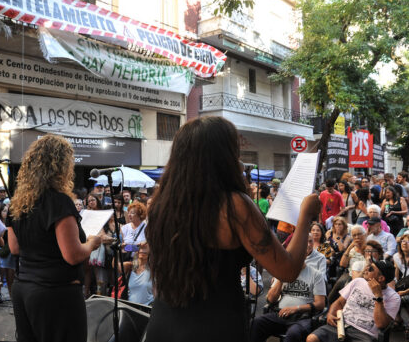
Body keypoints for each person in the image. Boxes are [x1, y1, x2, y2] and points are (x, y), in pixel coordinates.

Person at [143, 116, 321, 342]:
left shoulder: (160, 205)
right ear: (223, 157)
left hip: (163, 322)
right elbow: (287, 270)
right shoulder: (234, 206)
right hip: (214, 326)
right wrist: (305, 216)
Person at [7, 135, 102, 342]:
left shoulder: (18, 203)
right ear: (61, 166)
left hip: (23, 289)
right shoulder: (58, 202)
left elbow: (14, 248)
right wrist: (92, 243)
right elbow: (73, 255)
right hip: (55, 293)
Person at [250, 235, 326, 342]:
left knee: (293, 334)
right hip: (281, 314)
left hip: (302, 318)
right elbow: (270, 299)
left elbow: (320, 304)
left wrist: (296, 308)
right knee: (257, 323)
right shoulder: (282, 272)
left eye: (298, 254)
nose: (294, 257)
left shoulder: (316, 275)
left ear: (305, 254)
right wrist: (281, 277)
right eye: (292, 255)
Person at [307, 260, 400, 342]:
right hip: (340, 324)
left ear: (381, 278)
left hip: (364, 334)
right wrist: (330, 314)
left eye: (371, 268)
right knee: (311, 338)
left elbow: (381, 324)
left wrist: (378, 297)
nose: (366, 269)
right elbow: (339, 302)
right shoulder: (358, 281)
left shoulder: (393, 297)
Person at [328, 225, 367, 304]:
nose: (357, 237)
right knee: (339, 284)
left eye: (359, 234)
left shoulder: (370, 247)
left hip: (365, 274)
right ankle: (328, 305)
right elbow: (342, 264)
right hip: (350, 273)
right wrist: (349, 248)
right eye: (354, 235)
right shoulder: (352, 249)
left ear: (365, 234)